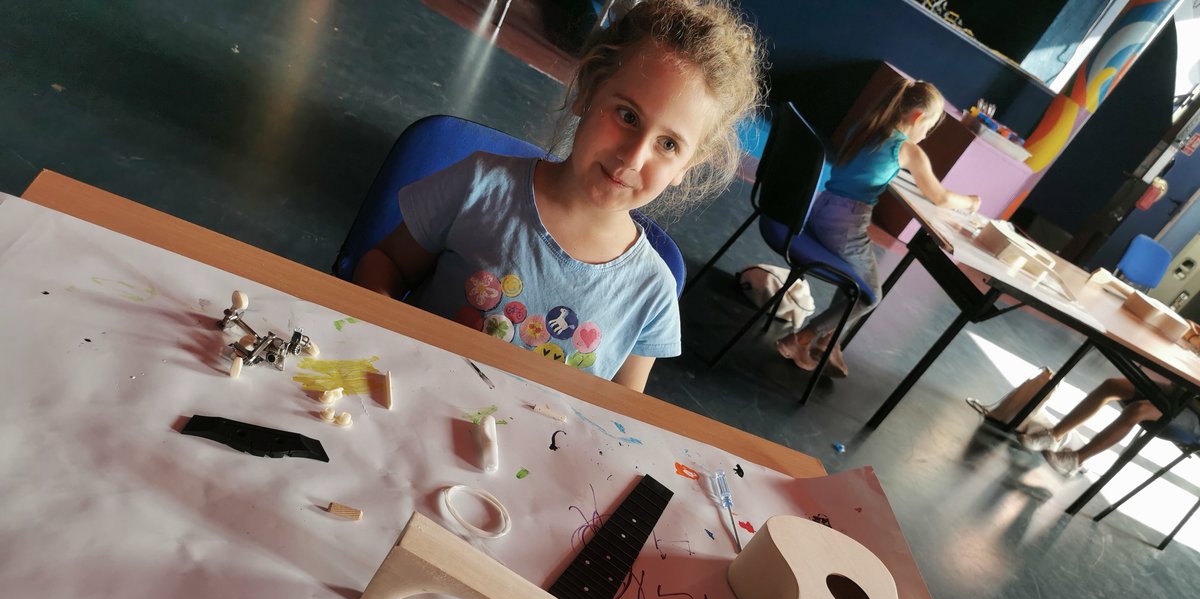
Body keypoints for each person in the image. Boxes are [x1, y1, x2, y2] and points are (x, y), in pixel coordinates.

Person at [354, 0, 764, 392]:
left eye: (669, 144)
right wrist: (387, 339)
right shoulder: (479, 186)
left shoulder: (652, 294)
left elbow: (618, 417)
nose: (633, 157)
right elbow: (384, 263)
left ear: (688, 166)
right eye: (627, 116)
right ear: (588, 90)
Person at [775, 79, 982, 378]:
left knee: (857, 277)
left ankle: (829, 339)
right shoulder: (907, 150)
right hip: (845, 226)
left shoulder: (865, 128)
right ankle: (803, 339)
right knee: (869, 294)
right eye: (929, 127)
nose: (926, 135)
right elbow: (940, 197)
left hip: (820, 211)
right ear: (917, 117)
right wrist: (971, 202)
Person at [1019, 376, 1200, 476]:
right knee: (1113, 385)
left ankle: (1076, 460)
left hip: (1196, 418)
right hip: (1183, 393)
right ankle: (1053, 436)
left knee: (1139, 410)